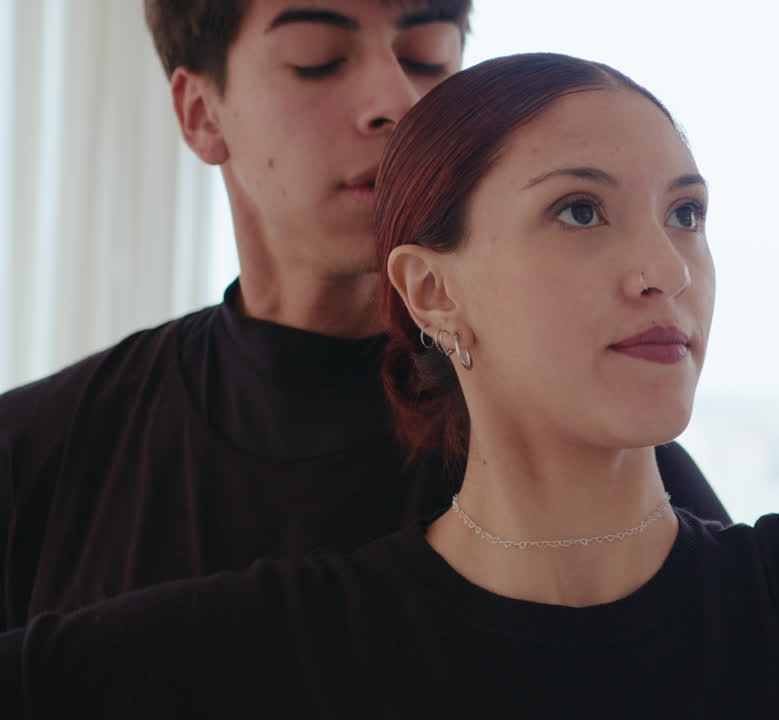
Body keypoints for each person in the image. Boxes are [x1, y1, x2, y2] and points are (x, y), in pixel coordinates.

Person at [4, 51, 779, 718]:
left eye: (686, 213)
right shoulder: (260, 658)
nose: (660, 268)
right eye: (578, 213)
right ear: (433, 292)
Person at [0, 0, 727, 629]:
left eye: (426, 55)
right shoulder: (38, 454)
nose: (396, 100)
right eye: (318, 61)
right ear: (200, 113)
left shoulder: (616, 479)